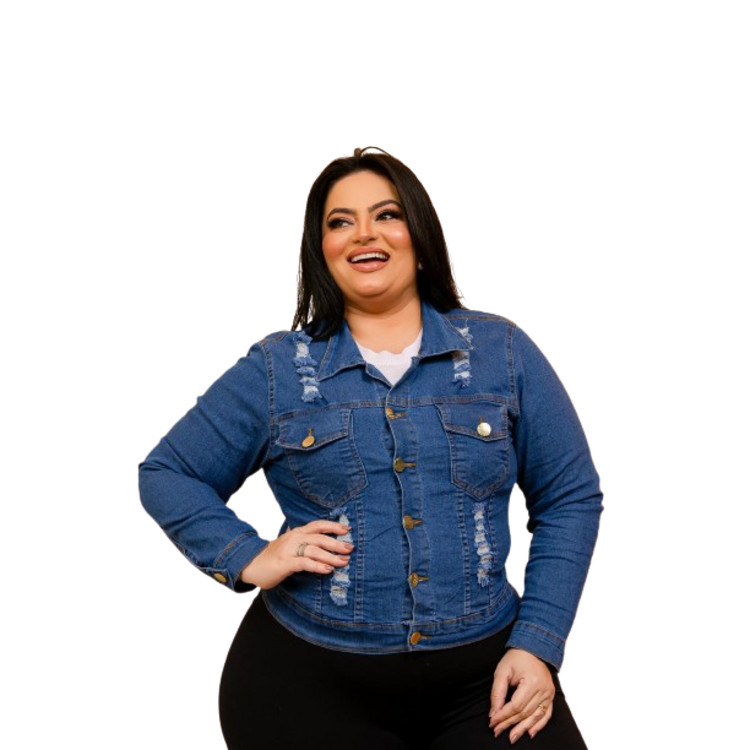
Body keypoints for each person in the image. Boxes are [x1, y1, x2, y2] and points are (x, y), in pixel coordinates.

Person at [139, 148, 603, 748]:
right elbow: (168, 472)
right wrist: (248, 556)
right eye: (340, 221)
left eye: (386, 215)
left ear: (419, 235)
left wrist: (538, 642)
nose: (364, 233)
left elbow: (569, 498)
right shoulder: (277, 370)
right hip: (307, 685)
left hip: (487, 679)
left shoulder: (502, 352)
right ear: (322, 249)